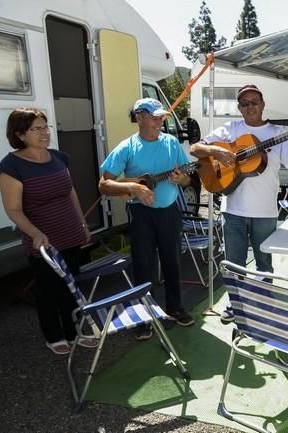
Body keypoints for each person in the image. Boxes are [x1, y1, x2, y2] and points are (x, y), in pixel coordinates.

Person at [190, 84, 288, 322]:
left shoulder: (277, 133)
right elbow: (195, 148)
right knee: (234, 263)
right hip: (232, 209)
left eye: (255, 101)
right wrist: (217, 150)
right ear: (239, 108)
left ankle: (264, 303)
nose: (250, 107)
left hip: (265, 212)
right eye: (245, 103)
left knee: (264, 262)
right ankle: (236, 305)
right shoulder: (231, 129)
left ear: (263, 104)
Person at [0, 108, 96, 355]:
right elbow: (13, 209)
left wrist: (82, 223)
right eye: (36, 128)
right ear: (19, 134)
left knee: (71, 286)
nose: (44, 132)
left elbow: (70, 192)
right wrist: (35, 233)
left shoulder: (58, 158)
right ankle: (54, 336)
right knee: (48, 290)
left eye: (45, 126)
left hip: (70, 234)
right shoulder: (11, 166)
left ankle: (75, 332)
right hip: (43, 242)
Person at [98, 98, 197, 340]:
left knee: (172, 260)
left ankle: (175, 307)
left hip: (169, 211)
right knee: (143, 264)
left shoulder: (172, 143)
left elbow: (187, 176)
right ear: (139, 117)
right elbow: (104, 184)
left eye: (162, 117)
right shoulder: (127, 147)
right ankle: (143, 316)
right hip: (140, 213)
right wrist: (135, 187)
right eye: (155, 117)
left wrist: (180, 180)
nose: (160, 121)